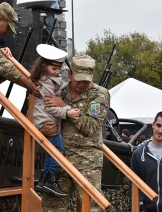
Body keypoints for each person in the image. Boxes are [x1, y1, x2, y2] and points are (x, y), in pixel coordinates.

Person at [39, 54, 110, 211]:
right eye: (79, 79)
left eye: (87, 80)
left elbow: (91, 126)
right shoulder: (59, 90)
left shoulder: (99, 94)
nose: (82, 84)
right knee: (52, 206)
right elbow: (39, 112)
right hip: (59, 159)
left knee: (92, 207)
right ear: (69, 74)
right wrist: (41, 130)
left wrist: (65, 107)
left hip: (86, 161)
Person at [31, 44, 80, 197]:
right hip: (47, 121)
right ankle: (50, 181)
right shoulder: (45, 84)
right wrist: (68, 112)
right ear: (44, 66)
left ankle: (44, 181)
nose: (58, 72)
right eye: (54, 69)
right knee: (57, 150)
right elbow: (50, 108)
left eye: (59, 69)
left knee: (53, 151)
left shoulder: (51, 80)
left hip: (49, 120)